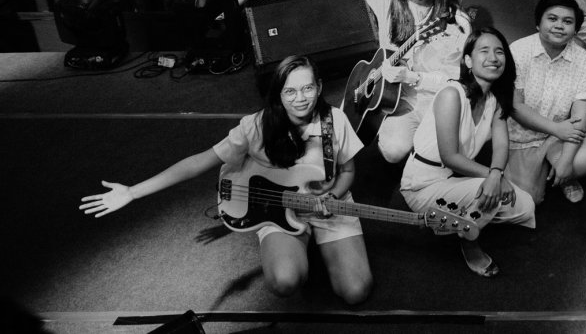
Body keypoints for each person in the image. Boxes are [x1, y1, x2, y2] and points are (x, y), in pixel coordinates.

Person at [78, 55, 373, 304]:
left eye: (307, 88)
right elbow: (198, 162)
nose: (300, 98)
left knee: (356, 292)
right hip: (276, 210)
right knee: (285, 281)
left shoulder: (335, 120)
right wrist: (132, 192)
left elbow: (347, 171)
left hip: (327, 204)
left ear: (319, 87)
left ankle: (318, 246)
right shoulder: (255, 126)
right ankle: (293, 248)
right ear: (278, 94)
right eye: (290, 91)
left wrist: (333, 196)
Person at [335, 0, 471, 163]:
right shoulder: (391, 4)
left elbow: (459, 82)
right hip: (398, 101)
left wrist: (413, 77)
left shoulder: (457, 22)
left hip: (437, 101)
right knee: (393, 151)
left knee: (442, 153)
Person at [399, 28, 536, 278]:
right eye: (484, 51)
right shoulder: (452, 94)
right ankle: (468, 241)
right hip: (422, 186)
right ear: (468, 61)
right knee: (491, 191)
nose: (493, 58)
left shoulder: (494, 98)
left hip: (455, 179)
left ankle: (453, 217)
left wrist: (496, 173)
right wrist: (494, 177)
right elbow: (450, 156)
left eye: (499, 52)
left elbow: (501, 145)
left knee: (525, 207)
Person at [505, 0, 586, 205]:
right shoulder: (518, 51)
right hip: (523, 134)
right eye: (552, 18)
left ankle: (564, 175)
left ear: (575, 30)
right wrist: (555, 129)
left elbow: (580, 117)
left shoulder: (583, 60)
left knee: (582, 161)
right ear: (538, 23)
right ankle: (541, 171)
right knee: (525, 201)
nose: (559, 26)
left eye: (567, 21)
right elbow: (515, 106)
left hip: (562, 133)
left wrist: (566, 161)